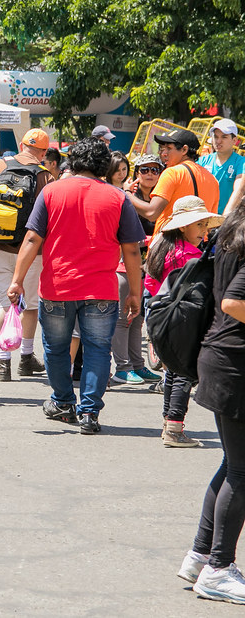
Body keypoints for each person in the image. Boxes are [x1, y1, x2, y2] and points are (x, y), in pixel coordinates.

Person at [7, 137, 146, 434]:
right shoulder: (118, 198)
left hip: (58, 287)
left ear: (73, 161)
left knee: (56, 349)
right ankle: (90, 413)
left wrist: (17, 280)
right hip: (102, 290)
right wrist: (135, 292)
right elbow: (132, 250)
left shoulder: (52, 191)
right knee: (98, 350)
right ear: (104, 165)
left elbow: (32, 239)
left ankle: (63, 402)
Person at [180, 199, 245, 603]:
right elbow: (233, 301)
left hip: (222, 358)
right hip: (234, 364)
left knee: (234, 464)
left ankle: (201, 556)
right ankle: (218, 569)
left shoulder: (231, 234)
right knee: (241, 470)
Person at [143, 196, 222, 446]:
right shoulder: (190, 256)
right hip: (186, 320)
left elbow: (151, 283)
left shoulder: (162, 249)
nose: (204, 230)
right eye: (199, 225)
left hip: (162, 317)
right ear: (183, 226)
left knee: (171, 371)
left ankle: (168, 423)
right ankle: (174, 429)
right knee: (184, 373)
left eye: (205, 225)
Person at [0, 128, 52, 382]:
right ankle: (26, 357)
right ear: (43, 152)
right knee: (29, 305)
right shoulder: (45, 175)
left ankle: (3, 363)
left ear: (22, 145)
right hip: (31, 251)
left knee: (3, 304)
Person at [110, 154, 163, 386]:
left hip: (149, 266)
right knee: (123, 318)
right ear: (137, 173)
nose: (150, 174)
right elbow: (120, 232)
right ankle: (122, 368)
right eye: (144, 170)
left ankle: (137, 365)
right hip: (124, 264)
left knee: (137, 318)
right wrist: (148, 240)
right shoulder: (126, 196)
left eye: (154, 169)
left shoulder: (160, 198)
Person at [127, 129, 219, 236]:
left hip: (169, 242)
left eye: (169, 148)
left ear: (184, 150)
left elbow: (151, 213)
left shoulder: (172, 173)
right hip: (199, 244)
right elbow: (210, 225)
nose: (163, 153)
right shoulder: (213, 180)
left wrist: (127, 193)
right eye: (162, 149)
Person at [197, 119, 245, 214]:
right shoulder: (202, 161)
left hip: (225, 218)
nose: (218, 141)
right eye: (216, 136)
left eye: (224, 137)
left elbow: (239, 190)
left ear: (234, 140)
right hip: (202, 217)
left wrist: (225, 217)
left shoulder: (241, 162)